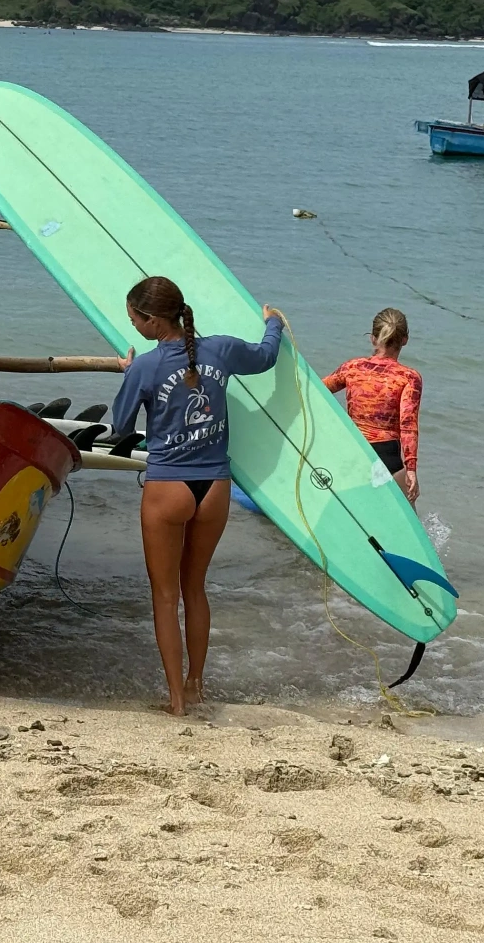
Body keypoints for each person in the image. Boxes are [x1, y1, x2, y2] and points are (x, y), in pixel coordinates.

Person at [111, 276, 283, 717]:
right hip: (216, 488)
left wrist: (129, 373)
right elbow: (265, 358)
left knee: (165, 597)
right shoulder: (221, 349)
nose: (133, 326)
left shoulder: (146, 367)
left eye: (134, 320)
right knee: (195, 588)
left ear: (152, 321)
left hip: (168, 487)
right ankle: (196, 685)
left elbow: (122, 429)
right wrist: (274, 323)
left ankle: (174, 702)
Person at [322, 307, 422, 503]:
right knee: (402, 526)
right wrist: (411, 469)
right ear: (404, 340)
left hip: (352, 450)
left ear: (373, 338)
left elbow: (317, 391)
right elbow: (408, 425)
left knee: (350, 509)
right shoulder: (409, 377)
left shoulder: (352, 367)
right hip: (386, 457)